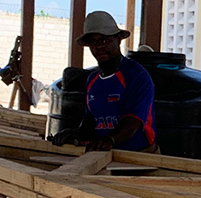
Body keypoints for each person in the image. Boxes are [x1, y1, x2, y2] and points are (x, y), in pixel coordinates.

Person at [51, 11, 158, 153]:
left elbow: (134, 120)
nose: (99, 46)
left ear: (119, 39)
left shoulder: (136, 75)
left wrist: (110, 140)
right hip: (105, 156)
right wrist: (75, 133)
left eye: (105, 40)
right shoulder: (92, 80)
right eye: (93, 42)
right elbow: (91, 120)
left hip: (141, 157)